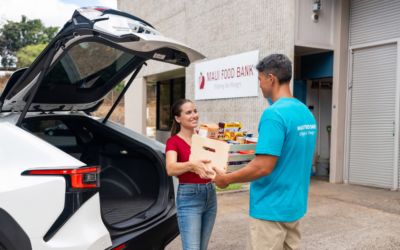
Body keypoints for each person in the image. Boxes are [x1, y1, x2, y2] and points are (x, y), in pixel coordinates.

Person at [213, 54, 317, 250]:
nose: (259, 85)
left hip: (270, 209)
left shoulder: (274, 114)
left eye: (259, 80)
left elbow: (263, 167)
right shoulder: (306, 113)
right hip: (294, 208)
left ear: (271, 78)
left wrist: (227, 179)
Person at [165, 99, 217, 250]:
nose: (194, 115)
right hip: (189, 197)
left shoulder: (203, 139)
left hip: (210, 194)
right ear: (177, 118)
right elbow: (171, 168)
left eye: (195, 111)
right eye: (188, 112)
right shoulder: (173, 142)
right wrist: (191, 164)